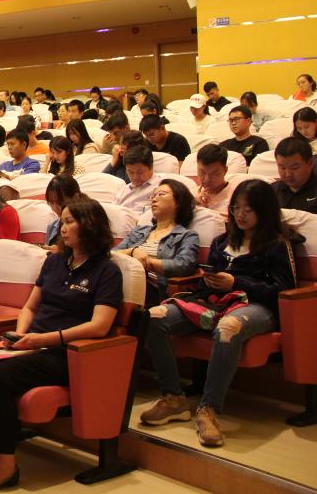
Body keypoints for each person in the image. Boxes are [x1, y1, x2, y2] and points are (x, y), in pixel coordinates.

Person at [0, 197, 123, 490]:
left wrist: (44, 339)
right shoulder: (54, 261)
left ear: (89, 225)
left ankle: (5, 465)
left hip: (68, 353)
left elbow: (100, 326)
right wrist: (19, 336)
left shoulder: (106, 271)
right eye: (61, 222)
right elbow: (31, 307)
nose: (63, 228)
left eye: (70, 222)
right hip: (32, 344)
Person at [140, 180, 298, 447]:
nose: (240, 215)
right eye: (236, 208)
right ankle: (173, 398)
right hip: (216, 301)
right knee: (153, 317)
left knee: (228, 327)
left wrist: (236, 282)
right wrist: (208, 283)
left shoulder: (277, 244)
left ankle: (209, 409)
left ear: (264, 210)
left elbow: (282, 290)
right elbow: (208, 280)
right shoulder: (221, 241)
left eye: (248, 209)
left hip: (256, 306)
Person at [116, 179, 200, 305]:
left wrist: (146, 262)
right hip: (122, 283)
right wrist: (133, 251)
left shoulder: (187, 236)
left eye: (161, 194)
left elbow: (183, 265)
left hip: (153, 290)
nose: (154, 199)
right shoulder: (138, 231)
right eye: (153, 196)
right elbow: (112, 254)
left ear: (178, 202)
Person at [271, 137, 317, 213]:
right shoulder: (271, 191)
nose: (288, 174)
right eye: (282, 168)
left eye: (294, 168)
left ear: (310, 163)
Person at [195, 144, 238, 217]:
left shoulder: (236, 197)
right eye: (202, 172)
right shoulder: (192, 194)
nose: (207, 179)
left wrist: (204, 212)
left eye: (214, 174)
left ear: (225, 170)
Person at [115, 145, 161, 214]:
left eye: (140, 172)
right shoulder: (124, 189)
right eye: (130, 172)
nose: (135, 177)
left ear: (151, 167)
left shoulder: (161, 187)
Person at [43, 176, 81, 251]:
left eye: (60, 202)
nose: (55, 208)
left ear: (76, 197)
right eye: (51, 202)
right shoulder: (52, 226)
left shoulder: (90, 222)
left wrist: (61, 254)